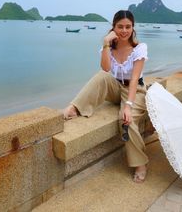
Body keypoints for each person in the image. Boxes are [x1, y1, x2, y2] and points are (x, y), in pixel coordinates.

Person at [63, 10, 148, 183]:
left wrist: (128, 106)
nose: (124, 30)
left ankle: (140, 164)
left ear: (133, 27)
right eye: (120, 27)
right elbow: (106, 69)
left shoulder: (140, 48)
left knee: (126, 121)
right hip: (115, 86)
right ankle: (75, 108)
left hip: (135, 91)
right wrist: (106, 44)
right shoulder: (109, 46)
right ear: (113, 27)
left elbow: (133, 80)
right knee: (101, 76)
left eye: (128, 27)